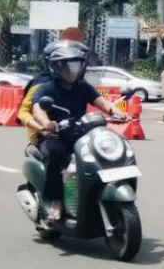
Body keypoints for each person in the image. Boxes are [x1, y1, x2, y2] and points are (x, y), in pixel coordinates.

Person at [20, 41, 123, 223]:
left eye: (74, 65)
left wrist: (115, 111)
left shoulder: (82, 86)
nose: (70, 70)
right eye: (64, 66)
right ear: (55, 67)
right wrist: (46, 123)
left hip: (78, 134)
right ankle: (56, 201)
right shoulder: (47, 87)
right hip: (54, 136)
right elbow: (37, 109)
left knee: (103, 151)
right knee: (54, 153)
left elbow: (100, 100)